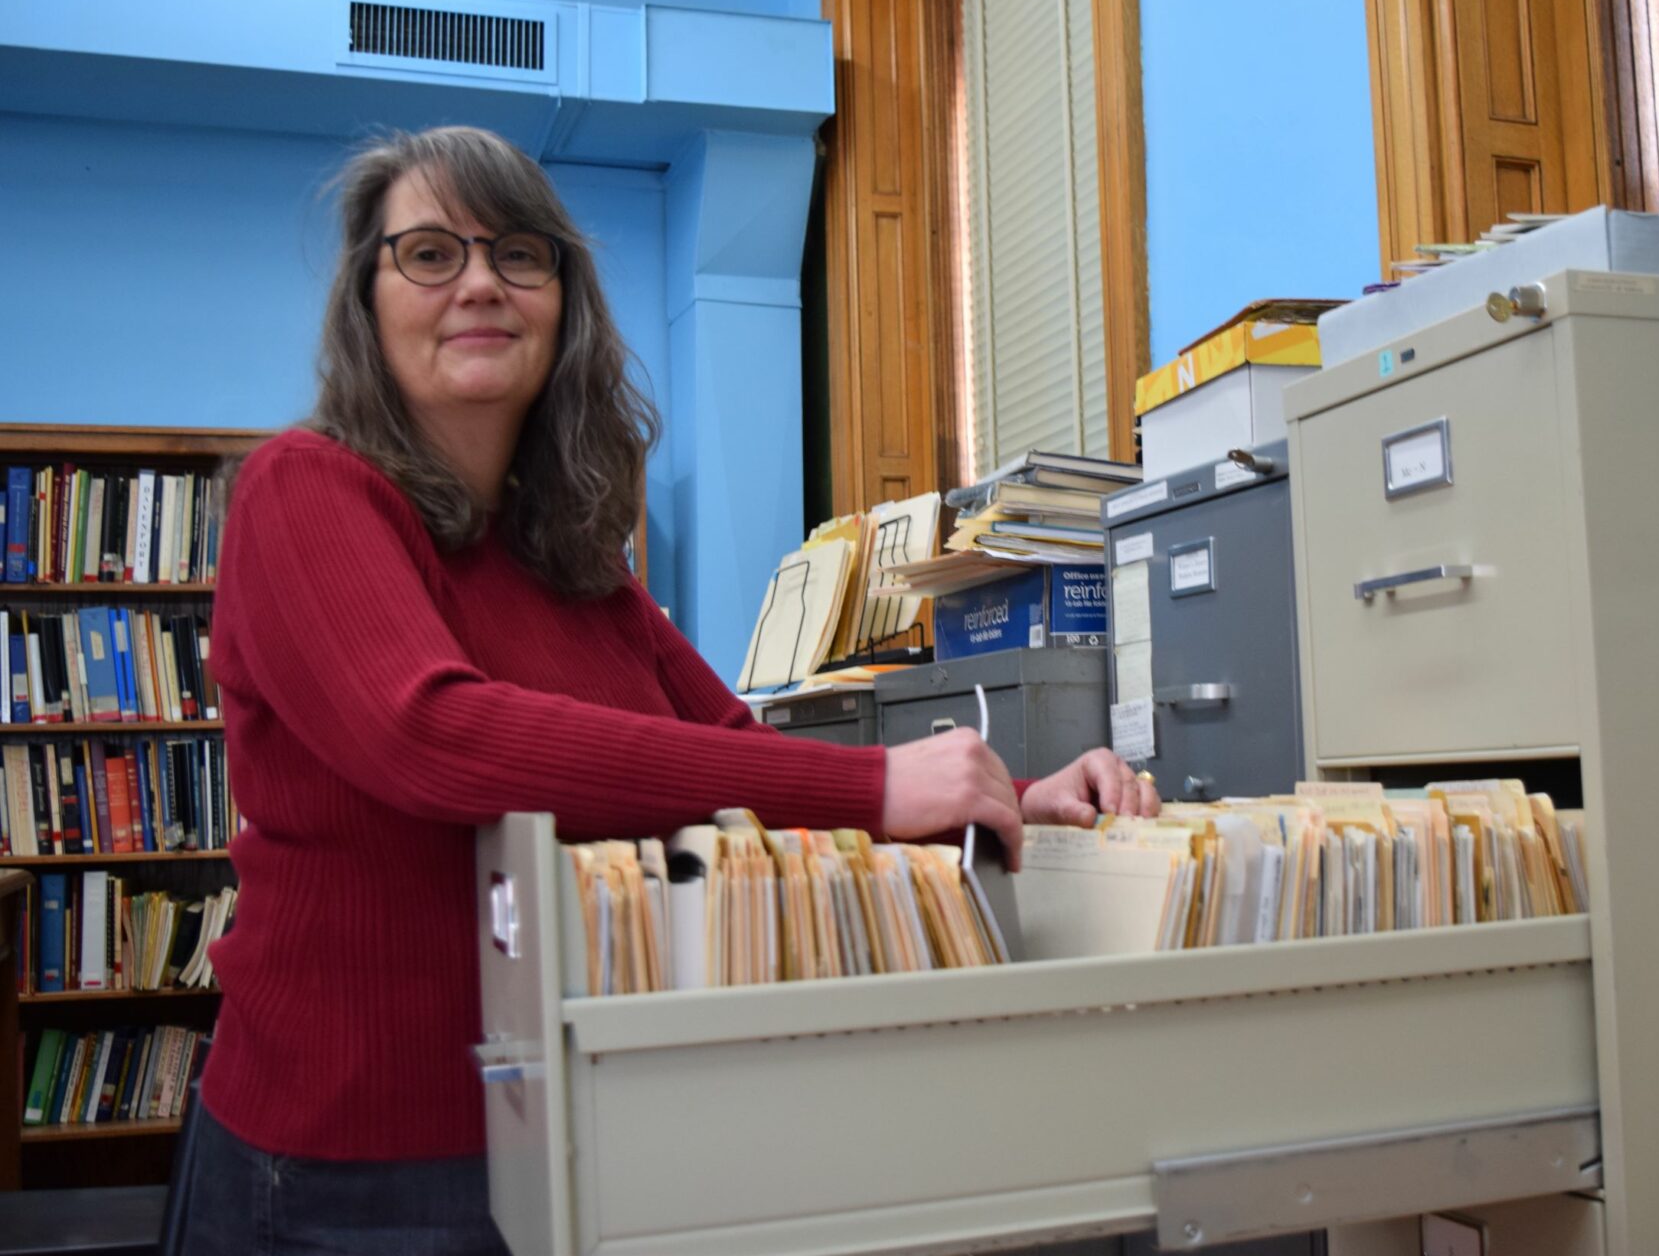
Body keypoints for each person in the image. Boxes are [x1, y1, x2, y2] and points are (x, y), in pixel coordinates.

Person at [183, 125, 1158, 1253]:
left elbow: (740, 748)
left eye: (519, 253)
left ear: (564, 299)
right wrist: (889, 784)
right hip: (350, 1169)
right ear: (367, 296)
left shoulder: (577, 561)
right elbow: (434, 735)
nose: (481, 283)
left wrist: (1008, 793)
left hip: (585, 1116)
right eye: (431, 254)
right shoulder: (303, 489)